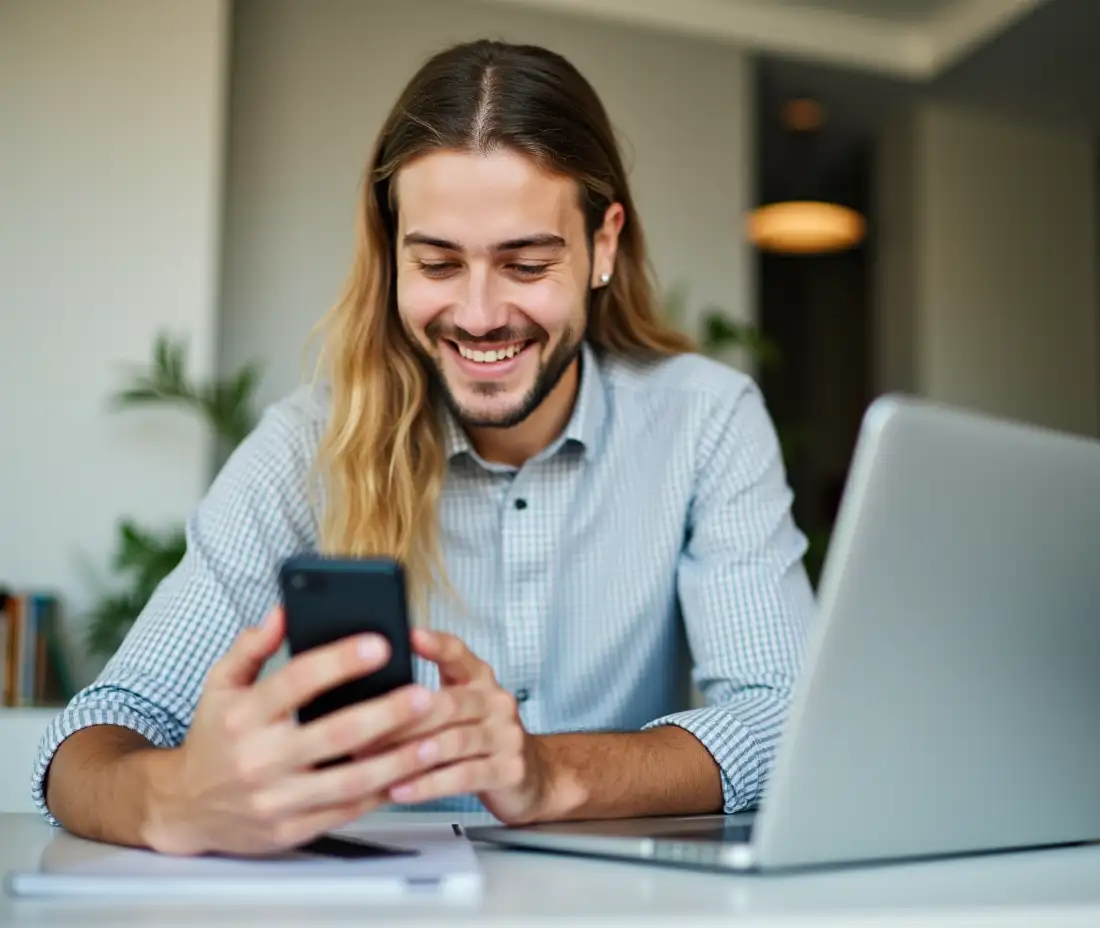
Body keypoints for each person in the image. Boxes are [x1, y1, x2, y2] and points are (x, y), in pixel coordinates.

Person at [34, 38, 813, 856]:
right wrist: (171, 798)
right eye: (438, 262)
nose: (478, 314)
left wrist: (546, 773)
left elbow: (784, 715)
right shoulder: (306, 445)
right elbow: (93, 737)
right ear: (393, 250)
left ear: (603, 244)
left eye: (526, 262)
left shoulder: (707, 420)